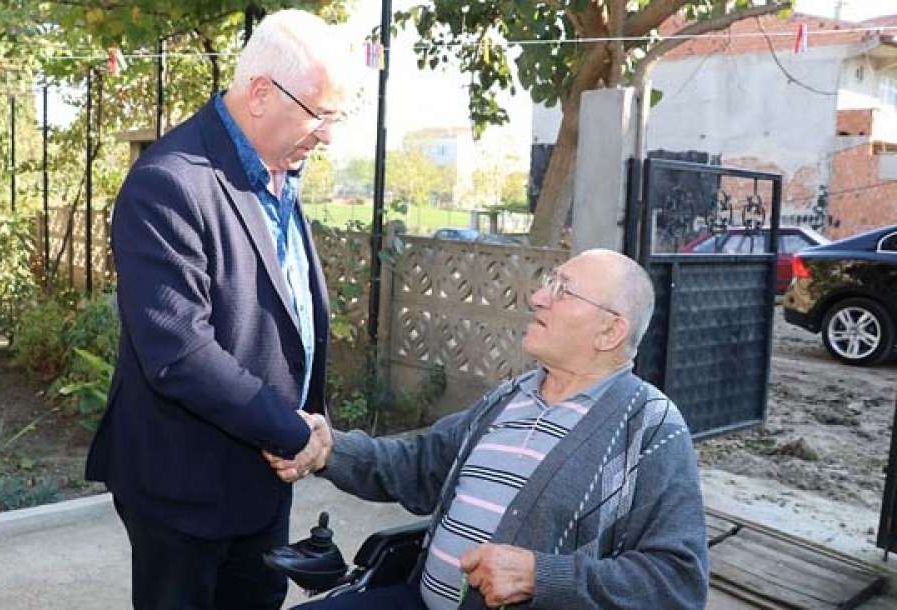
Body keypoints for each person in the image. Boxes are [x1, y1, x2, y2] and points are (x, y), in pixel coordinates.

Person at [84, 10, 351, 610]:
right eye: (321, 114)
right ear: (261, 93)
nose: (329, 135)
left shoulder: (279, 173)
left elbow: (287, 311)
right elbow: (180, 353)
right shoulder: (169, 182)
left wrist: (307, 426)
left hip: (263, 475)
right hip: (185, 490)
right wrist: (295, 434)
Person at [268, 249, 709, 610]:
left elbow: (678, 583)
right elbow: (419, 466)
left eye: (562, 290)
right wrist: (329, 449)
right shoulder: (509, 397)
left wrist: (542, 577)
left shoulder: (652, 427)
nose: (538, 297)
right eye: (547, 284)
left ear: (610, 330)